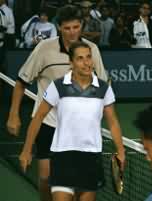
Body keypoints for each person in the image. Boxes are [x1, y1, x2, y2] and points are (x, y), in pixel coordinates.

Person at [6, 5, 107, 201]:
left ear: (82, 26)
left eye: (76, 27)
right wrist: (13, 114)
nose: (72, 32)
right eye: (67, 28)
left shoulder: (92, 50)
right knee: (45, 179)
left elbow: (101, 85)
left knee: (79, 184)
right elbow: (20, 83)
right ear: (59, 27)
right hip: (49, 125)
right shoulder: (44, 49)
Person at [19, 41, 125, 201]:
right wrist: (26, 150)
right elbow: (39, 117)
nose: (87, 62)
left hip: (91, 158)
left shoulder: (104, 89)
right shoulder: (58, 86)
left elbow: (113, 122)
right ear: (71, 62)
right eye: (80, 58)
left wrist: (121, 151)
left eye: (89, 57)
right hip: (63, 157)